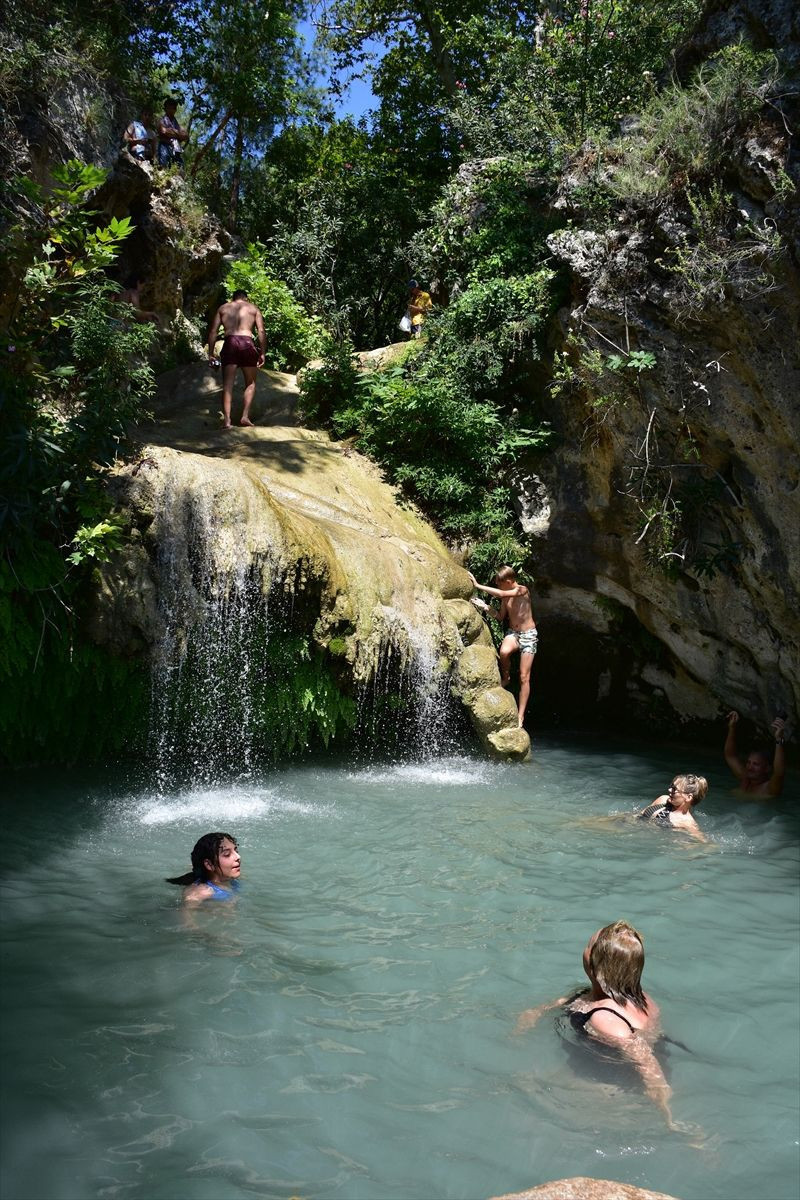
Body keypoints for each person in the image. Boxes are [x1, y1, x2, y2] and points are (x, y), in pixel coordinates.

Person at [515, 922, 697, 1136]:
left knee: (527, 1087)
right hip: (621, 1065)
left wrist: (667, 1114)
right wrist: (535, 1013)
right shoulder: (639, 997)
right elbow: (577, 1000)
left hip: (614, 1086)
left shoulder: (606, 1019)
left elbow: (645, 1060)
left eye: (588, 945)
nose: (584, 949)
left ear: (595, 966)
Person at [469, 566, 537, 727]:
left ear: (508, 581)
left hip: (528, 635)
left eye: (500, 584)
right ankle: (506, 677)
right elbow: (500, 617)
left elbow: (500, 593)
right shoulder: (506, 598)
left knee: (524, 676)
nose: (499, 587)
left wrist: (477, 585)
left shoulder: (522, 590)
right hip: (513, 633)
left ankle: (521, 716)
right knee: (504, 652)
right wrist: (485, 607)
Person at [206, 289, 266, 428]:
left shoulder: (223, 308)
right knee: (250, 383)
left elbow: (213, 331)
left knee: (227, 385)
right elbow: (261, 331)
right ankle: (244, 417)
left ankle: (227, 421)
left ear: (233, 298)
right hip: (247, 343)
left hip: (230, 343)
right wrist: (262, 353)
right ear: (246, 298)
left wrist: (210, 353)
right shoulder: (253, 308)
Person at [724, 710, 786, 797]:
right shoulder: (745, 778)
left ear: (767, 768)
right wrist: (732, 727)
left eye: (755, 764)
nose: (750, 767)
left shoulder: (770, 789)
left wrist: (779, 739)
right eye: (749, 762)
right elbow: (730, 756)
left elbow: (779, 772)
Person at [166, 832, 241, 904]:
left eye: (236, 850)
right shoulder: (201, 893)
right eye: (227, 854)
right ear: (209, 864)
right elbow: (186, 915)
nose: (238, 856)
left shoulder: (231, 877)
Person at [638, 774, 708, 842]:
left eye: (674, 789)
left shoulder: (687, 823)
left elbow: (704, 843)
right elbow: (638, 815)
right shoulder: (663, 799)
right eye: (671, 786)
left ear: (688, 797)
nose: (669, 790)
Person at [157, 96, 189, 168]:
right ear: (165, 108)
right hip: (165, 146)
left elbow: (186, 136)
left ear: (175, 109)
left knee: (180, 170)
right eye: (169, 107)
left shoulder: (177, 124)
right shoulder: (161, 120)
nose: (171, 109)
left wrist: (172, 132)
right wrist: (178, 134)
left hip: (176, 149)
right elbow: (163, 131)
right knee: (163, 168)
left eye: (173, 107)